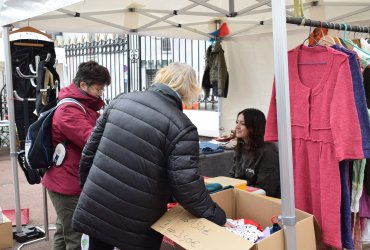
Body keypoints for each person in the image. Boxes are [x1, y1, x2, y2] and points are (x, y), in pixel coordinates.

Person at [72, 62, 227, 250]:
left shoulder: (121, 101)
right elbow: (187, 186)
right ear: (190, 88)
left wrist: (90, 191)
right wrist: (217, 216)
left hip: (96, 206)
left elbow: (89, 153)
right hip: (135, 221)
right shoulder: (181, 126)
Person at [41, 61, 111, 250]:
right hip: (67, 184)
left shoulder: (82, 106)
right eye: (98, 89)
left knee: (64, 233)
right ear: (83, 85)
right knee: (77, 239)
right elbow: (93, 142)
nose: (101, 93)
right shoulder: (69, 111)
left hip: (68, 180)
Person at [229, 108, 281, 198]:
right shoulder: (240, 146)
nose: (237, 126)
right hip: (242, 195)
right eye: (237, 122)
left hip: (261, 200)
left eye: (242, 124)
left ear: (254, 127)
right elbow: (232, 176)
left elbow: (266, 190)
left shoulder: (268, 151)